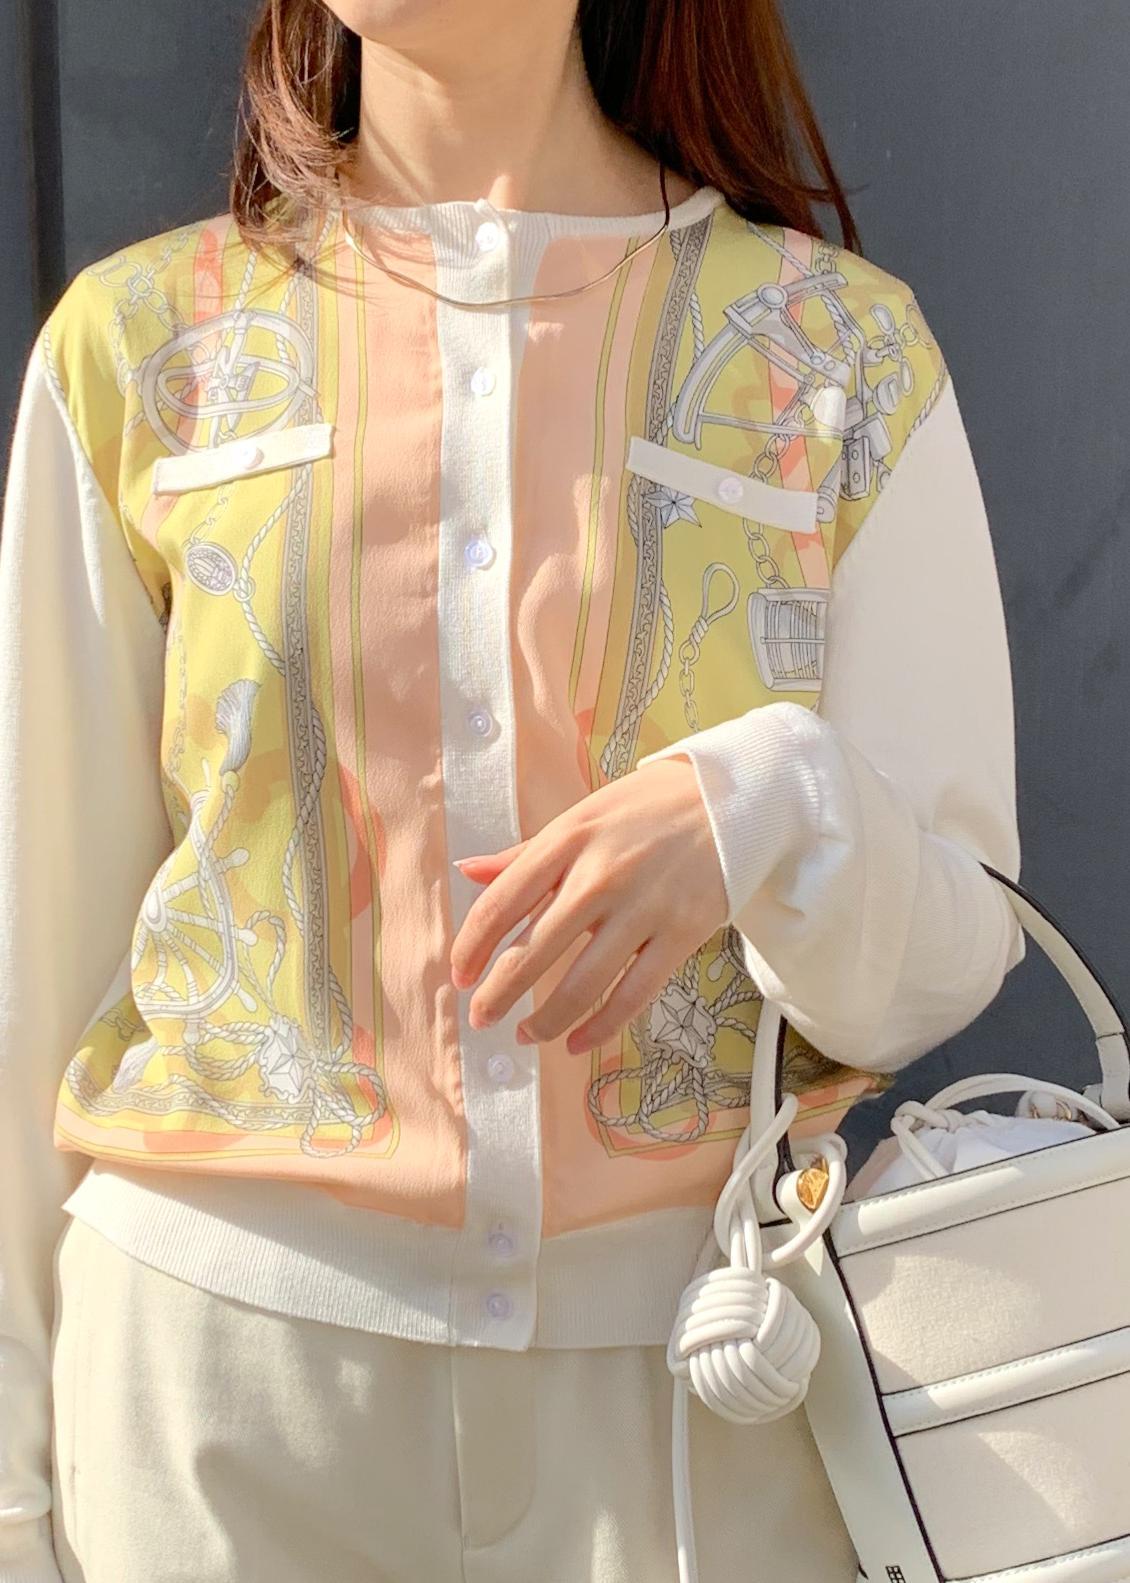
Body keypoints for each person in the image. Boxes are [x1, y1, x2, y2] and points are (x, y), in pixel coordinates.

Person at [0, 0, 1026, 1579]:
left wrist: (769, 797)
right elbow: (32, 952)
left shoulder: (840, 351)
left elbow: (941, 963)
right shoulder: (144, 343)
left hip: (701, 1393)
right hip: (218, 1395)